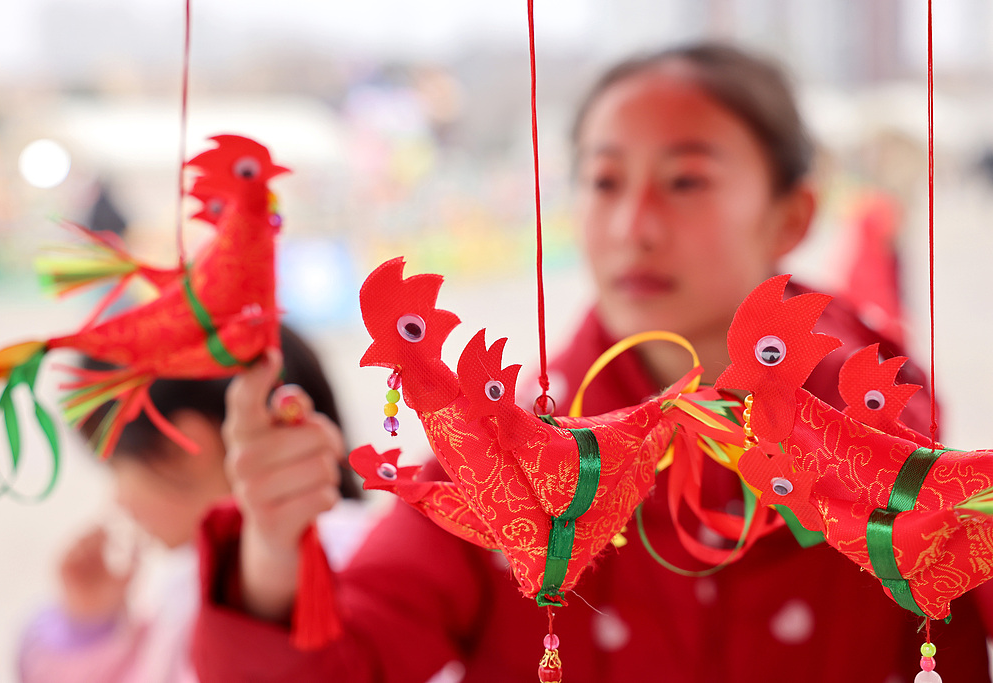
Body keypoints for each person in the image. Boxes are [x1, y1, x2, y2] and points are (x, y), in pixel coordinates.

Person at [191, 44, 993, 682]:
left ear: (792, 213)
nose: (633, 225)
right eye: (605, 180)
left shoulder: (900, 459)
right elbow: (346, 662)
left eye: (685, 180)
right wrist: (270, 542)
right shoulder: (504, 447)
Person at [18, 325, 363, 683]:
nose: (118, 499)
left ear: (182, 447)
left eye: (117, 468)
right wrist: (90, 620)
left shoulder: (200, 588)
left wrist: (86, 634)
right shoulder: (188, 579)